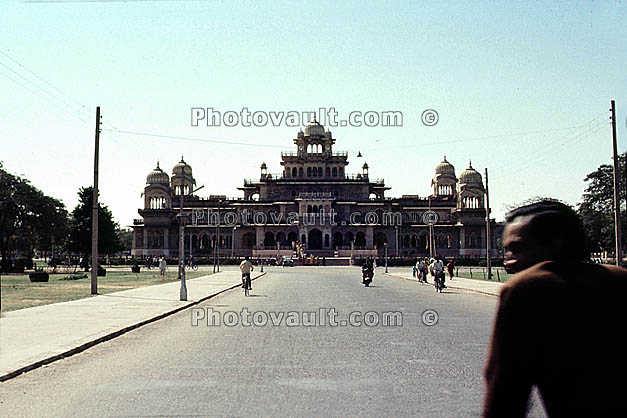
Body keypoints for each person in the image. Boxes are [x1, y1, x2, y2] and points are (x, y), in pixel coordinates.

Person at [483, 199, 627, 417]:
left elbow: (505, 394)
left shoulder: (526, 288)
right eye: (507, 251)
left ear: (555, 243)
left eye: (517, 249)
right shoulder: (618, 277)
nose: (508, 261)